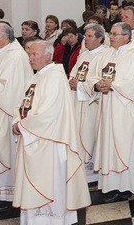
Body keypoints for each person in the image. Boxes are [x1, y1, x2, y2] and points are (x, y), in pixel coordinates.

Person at [11, 40, 91, 223]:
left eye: (34, 55)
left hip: (49, 143)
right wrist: (17, 120)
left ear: (48, 55)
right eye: (29, 54)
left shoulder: (55, 77)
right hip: (34, 139)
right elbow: (22, 104)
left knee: (50, 184)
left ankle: (53, 220)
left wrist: (21, 126)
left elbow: (48, 115)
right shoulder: (36, 77)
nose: (30, 58)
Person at [90, 22, 134, 205]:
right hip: (109, 108)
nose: (110, 37)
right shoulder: (108, 53)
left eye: (115, 34)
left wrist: (112, 85)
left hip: (129, 113)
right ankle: (119, 188)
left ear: (126, 37)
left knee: (132, 150)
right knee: (112, 149)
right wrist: (98, 84)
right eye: (110, 33)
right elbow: (95, 74)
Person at [0, 22, 34, 212]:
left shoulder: (14, 57)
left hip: (7, 113)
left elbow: (9, 92)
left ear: (3, 37)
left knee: (9, 153)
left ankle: (12, 196)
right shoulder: (2, 54)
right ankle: (0, 193)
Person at [68, 24, 113, 183]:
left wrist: (80, 85)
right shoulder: (83, 55)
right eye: (85, 36)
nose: (85, 39)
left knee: (91, 135)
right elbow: (73, 73)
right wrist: (72, 82)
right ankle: (81, 167)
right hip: (77, 102)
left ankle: (94, 168)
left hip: (93, 103)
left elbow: (102, 80)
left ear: (100, 38)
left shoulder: (107, 55)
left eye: (89, 36)